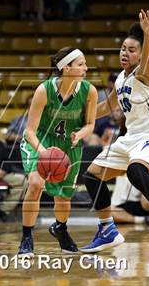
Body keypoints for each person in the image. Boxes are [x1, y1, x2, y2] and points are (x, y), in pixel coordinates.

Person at [80, 10, 149, 256]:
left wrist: (147, 34)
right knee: (92, 176)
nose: (124, 53)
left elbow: (148, 58)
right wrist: (80, 116)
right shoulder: (120, 78)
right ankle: (107, 229)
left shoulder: (144, 74)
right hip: (131, 138)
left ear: (140, 54)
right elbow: (107, 107)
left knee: (135, 170)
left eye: (131, 49)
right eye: (122, 49)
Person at [17, 46, 97, 257]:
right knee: (35, 184)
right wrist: (44, 152)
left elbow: (90, 125)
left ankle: (60, 229)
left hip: (69, 146)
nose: (86, 68)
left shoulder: (89, 91)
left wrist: (80, 135)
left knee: (63, 198)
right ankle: (26, 238)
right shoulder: (44, 91)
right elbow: (29, 132)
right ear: (66, 68)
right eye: (81, 64)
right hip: (41, 142)